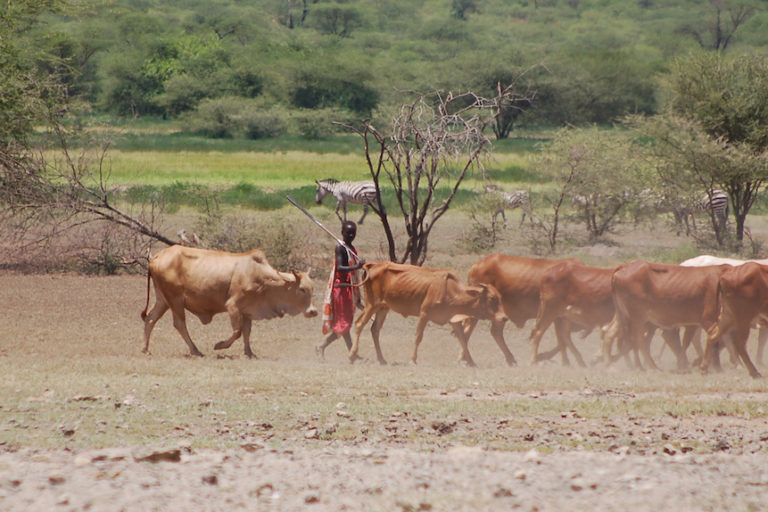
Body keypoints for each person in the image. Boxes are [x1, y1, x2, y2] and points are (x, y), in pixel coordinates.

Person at [317, 221, 365, 359]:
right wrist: (356, 267)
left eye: (353, 233)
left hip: (348, 289)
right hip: (340, 289)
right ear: (342, 232)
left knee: (345, 323)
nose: (351, 235)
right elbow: (340, 268)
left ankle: (351, 352)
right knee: (343, 323)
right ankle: (322, 346)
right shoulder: (340, 248)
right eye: (348, 232)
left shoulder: (351, 248)